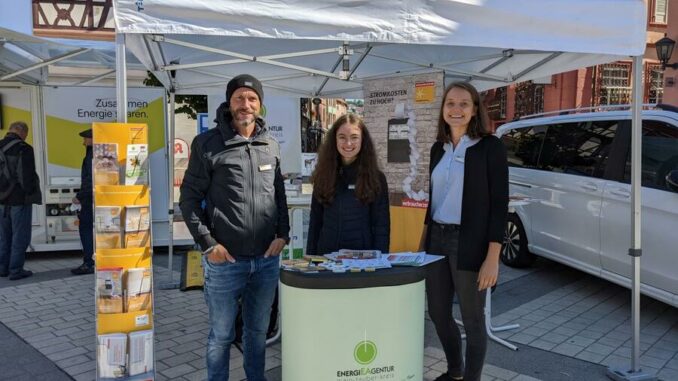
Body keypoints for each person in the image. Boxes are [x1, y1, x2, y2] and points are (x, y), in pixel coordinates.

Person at [179, 74, 290, 381]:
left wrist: (283, 235)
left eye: (252, 98)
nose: (246, 104)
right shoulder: (207, 144)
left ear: (260, 104)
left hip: (266, 261)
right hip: (225, 262)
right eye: (239, 98)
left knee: (257, 332)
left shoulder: (271, 145)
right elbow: (188, 200)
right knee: (221, 335)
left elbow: (278, 195)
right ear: (229, 103)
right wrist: (208, 243)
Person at [419, 82, 508, 381]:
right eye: (450, 104)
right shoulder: (437, 149)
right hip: (437, 240)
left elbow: (499, 204)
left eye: (464, 104)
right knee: (438, 313)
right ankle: (455, 371)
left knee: (472, 320)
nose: (456, 110)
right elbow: (434, 202)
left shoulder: (490, 147)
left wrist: (493, 257)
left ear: (474, 110)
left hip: (470, 243)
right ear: (443, 109)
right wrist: (423, 244)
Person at [306, 113, 390, 255]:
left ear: (363, 140)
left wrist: (379, 262)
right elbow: (315, 222)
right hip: (326, 259)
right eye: (342, 137)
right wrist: (310, 259)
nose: (348, 143)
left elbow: (381, 226)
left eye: (354, 137)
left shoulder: (376, 178)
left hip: (362, 261)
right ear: (334, 140)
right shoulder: (323, 175)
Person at [0, 121, 42, 280]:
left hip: (2, 200)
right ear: (22, 131)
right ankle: (16, 270)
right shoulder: (24, 148)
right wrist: (30, 193)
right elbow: (26, 177)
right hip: (19, 200)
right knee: (20, 235)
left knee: (5, 236)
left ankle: (2, 268)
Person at [71, 129, 94, 275]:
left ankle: (89, 262)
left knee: (85, 229)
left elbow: (90, 180)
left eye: (86, 139)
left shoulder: (91, 156)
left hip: (89, 199)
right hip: (98, 198)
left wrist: (79, 196)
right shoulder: (103, 153)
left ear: (93, 139)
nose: (83, 142)